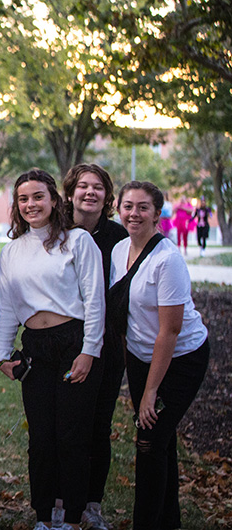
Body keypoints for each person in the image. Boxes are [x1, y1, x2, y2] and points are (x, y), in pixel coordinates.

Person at [0, 169, 105, 530]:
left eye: (38, 196)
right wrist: (2, 353)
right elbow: (8, 305)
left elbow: (94, 301)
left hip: (73, 343)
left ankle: (72, 517)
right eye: (23, 199)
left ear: (55, 200)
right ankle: (45, 516)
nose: (31, 205)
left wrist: (89, 350)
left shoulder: (77, 241)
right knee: (41, 438)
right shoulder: (13, 250)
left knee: (71, 436)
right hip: (36, 348)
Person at [112, 181, 209, 530]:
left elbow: (169, 332)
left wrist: (150, 391)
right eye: (128, 206)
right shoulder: (119, 250)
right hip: (141, 357)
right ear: (119, 209)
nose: (134, 213)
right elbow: (125, 314)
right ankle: (169, 522)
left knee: (149, 442)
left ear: (157, 214)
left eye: (142, 207)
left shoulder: (167, 260)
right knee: (161, 441)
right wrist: (132, 369)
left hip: (180, 359)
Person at [62, 163, 127, 530]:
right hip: (63, 341)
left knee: (98, 426)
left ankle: (91, 504)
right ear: (70, 192)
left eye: (98, 187)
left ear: (107, 195)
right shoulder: (56, 231)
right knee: (66, 426)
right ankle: (59, 500)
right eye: (83, 186)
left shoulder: (119, 237)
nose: (90, 192)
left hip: (107, 344)